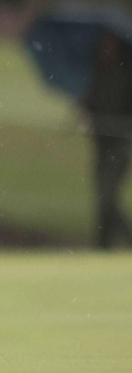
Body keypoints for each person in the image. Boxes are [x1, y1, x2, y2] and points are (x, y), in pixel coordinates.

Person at [85, 33, 132, 248]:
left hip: (119, 143)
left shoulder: (125, 76)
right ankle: (104, 242)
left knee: (108, 195)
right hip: (102, 143)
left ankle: (110, 240)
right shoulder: (96, 73)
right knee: (102, 195)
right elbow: (93, 104)